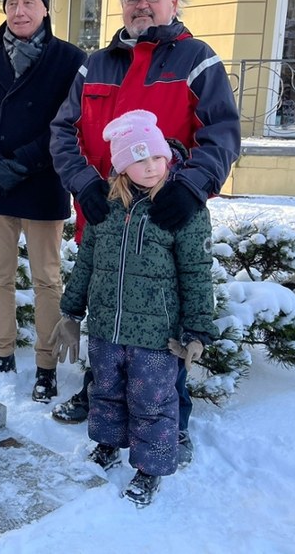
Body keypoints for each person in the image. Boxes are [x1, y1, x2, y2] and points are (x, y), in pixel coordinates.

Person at [49, 0, 240, 464]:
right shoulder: (96, 64)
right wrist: (85, 184)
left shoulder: (197, 60)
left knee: (162, 324)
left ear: (174, 2)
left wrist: (193, 185)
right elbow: (63, 131)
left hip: (167, 218)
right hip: (106, 214)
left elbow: (222, 131)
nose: (141, 4)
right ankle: (101, 398)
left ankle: (170, 420)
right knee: (108, 307)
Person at [58, 109, 218, 506]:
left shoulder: (183, 209)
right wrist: (71, 312)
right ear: (122, 166)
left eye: (157, 157)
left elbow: (197, 273)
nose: (151, 167)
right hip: (106, 330)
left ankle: (149, 469)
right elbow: (87, 263)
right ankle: (109, 446)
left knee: (153, 404)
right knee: (106, 392)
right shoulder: (105, 208)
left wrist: (197, 331)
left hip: (156, 336)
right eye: (139, 159)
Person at [0, 0, 86, 402]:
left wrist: (25, 161)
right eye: (13, 3)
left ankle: (46, 364)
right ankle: (1, 353)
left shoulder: (69, 59)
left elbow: (69, 123)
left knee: (48, 280)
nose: (20, 11)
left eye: (29, 2)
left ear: (45, 8)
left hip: (43, 183)